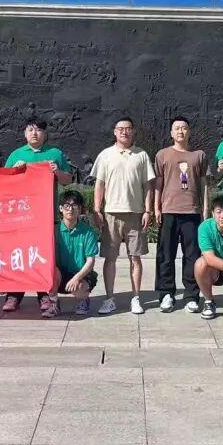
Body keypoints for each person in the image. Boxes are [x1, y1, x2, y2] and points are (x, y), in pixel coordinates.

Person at [2, 116, 74, 312]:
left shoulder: (55, 153)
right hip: (21, 217)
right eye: (30, 130)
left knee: (43, 257)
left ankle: (44, 296)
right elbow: (4, 184)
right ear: (25, 133)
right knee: (18, 255)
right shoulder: (16, 154)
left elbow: (67, 180)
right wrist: (14, 171)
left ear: (45, 133)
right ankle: (13, 295)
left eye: (39, 130)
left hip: (46, 217)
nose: (34, 133)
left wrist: (57, 171)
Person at [90, 116, 155, 315]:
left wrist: (148, 210)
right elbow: (99, 185)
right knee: (110, 258)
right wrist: (97, 209)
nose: (124, 132)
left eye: (128, 128)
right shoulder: (105, 155)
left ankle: (136, 298)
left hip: (135, 213)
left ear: (133, 131)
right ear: (114, 132)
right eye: (120, 129)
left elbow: (148, 186)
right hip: (111, 213)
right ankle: (109, 298)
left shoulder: (141, 155)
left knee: (135, 257)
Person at [153, 116, 209, 313]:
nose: (180, 131)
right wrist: (156, 207)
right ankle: (166, 294)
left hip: (191, 212)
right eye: (176, 128)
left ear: (189, 131)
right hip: (168, 211)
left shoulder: (198, 156)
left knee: (192, 255)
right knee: (165, 255)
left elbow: (204, 184)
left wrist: (205, 209)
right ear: (171, 133)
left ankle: (191, 296)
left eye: (184, 128)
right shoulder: (162, 155)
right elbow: (158, 183)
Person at [43, 190, 99, 318]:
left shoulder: (88, 232)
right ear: (60, 208)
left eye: (75, 206)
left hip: (80, 274)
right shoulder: (53, 230)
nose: (70, 209)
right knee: (50, 273)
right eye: (67, 206)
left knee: (80, 287)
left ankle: (83, 300)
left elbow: (90, 261)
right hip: (60, 274)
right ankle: (54, 303)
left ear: (80, 209)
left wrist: (76, 278)